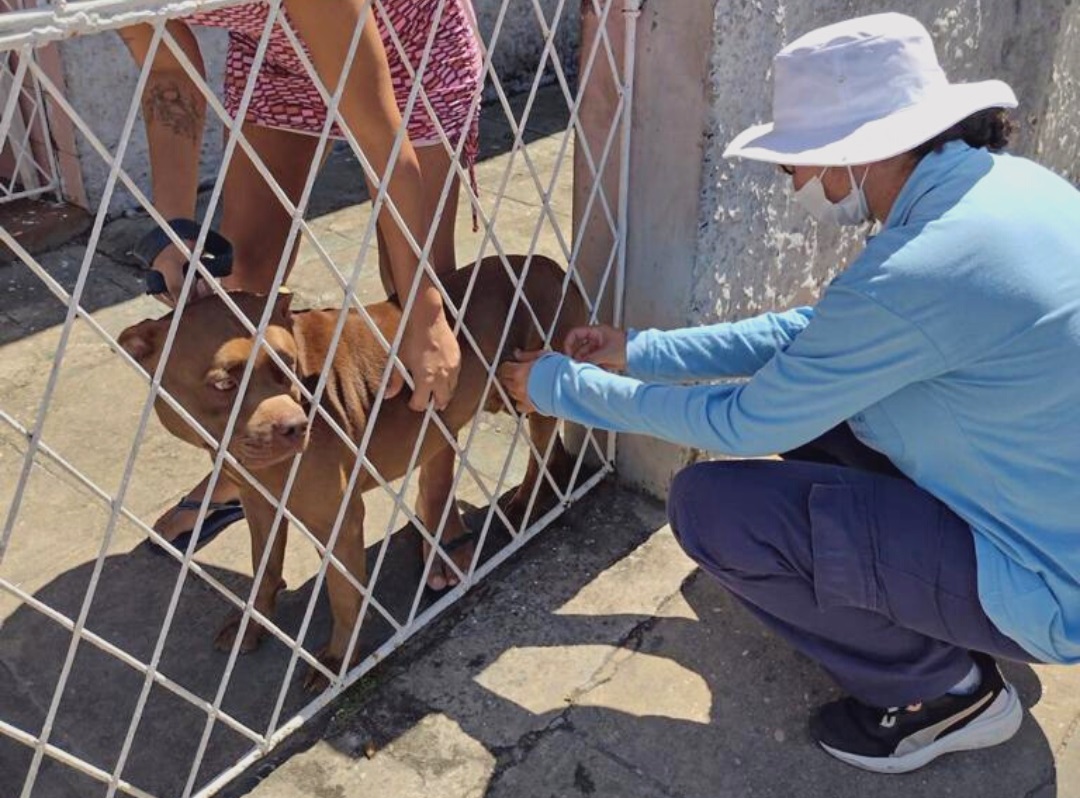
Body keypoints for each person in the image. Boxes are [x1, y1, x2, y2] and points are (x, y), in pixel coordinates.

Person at [498, 12, 1080, 773]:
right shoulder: (1003, 190)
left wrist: (563, 389)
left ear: (859, 150)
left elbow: (742, 423)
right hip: (1043, 509)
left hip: (1046, 581)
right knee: (814, 418)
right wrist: (639, 350)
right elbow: (818, 334)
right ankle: (932, 619)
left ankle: (941, 694)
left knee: (715, 510)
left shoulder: (924, 266)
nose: (795, 183)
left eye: (796, 164)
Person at [119, 0, 483, 589]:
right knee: (242, 277)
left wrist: (423, 310)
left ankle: (438, 498)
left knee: (421, 291)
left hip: (413, 47)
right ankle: (244, 468)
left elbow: (376, 127)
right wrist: (176, 226)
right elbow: (166, 71)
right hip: (278, 57)